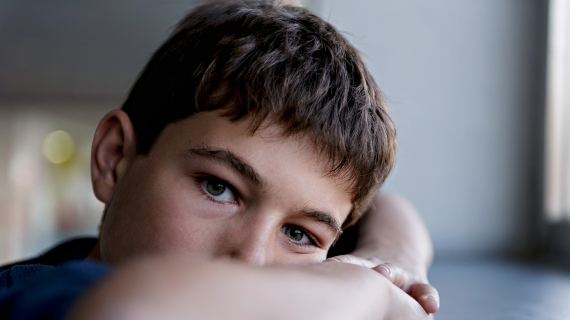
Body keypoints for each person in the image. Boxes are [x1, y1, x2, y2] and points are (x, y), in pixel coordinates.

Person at [0, 1, 439, 319]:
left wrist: (391, 264)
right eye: (219, 187)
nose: (250, 259)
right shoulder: (34, 296)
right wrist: (368, 292)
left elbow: (386, 207)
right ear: (114, 159)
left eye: (298, 234)